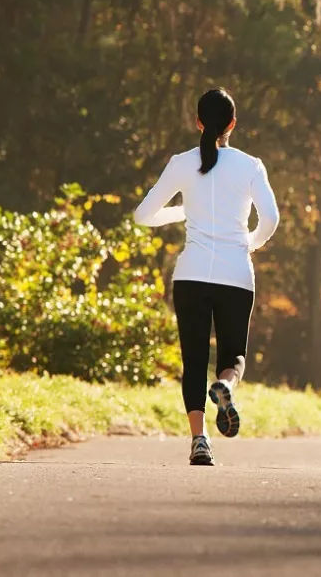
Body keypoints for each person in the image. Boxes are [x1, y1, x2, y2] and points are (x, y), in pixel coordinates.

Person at [133, 87, 279, 466]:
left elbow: (143, 215)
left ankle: (200, 441)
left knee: (194, 359)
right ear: (232, 123)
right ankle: (226, 386)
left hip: (191, 274)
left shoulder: (182, 163)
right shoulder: (250, 166)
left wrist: (182, 212)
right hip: (235, 273)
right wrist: (249, 243)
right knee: (233, 355)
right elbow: (272, 219)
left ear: (197, 121)